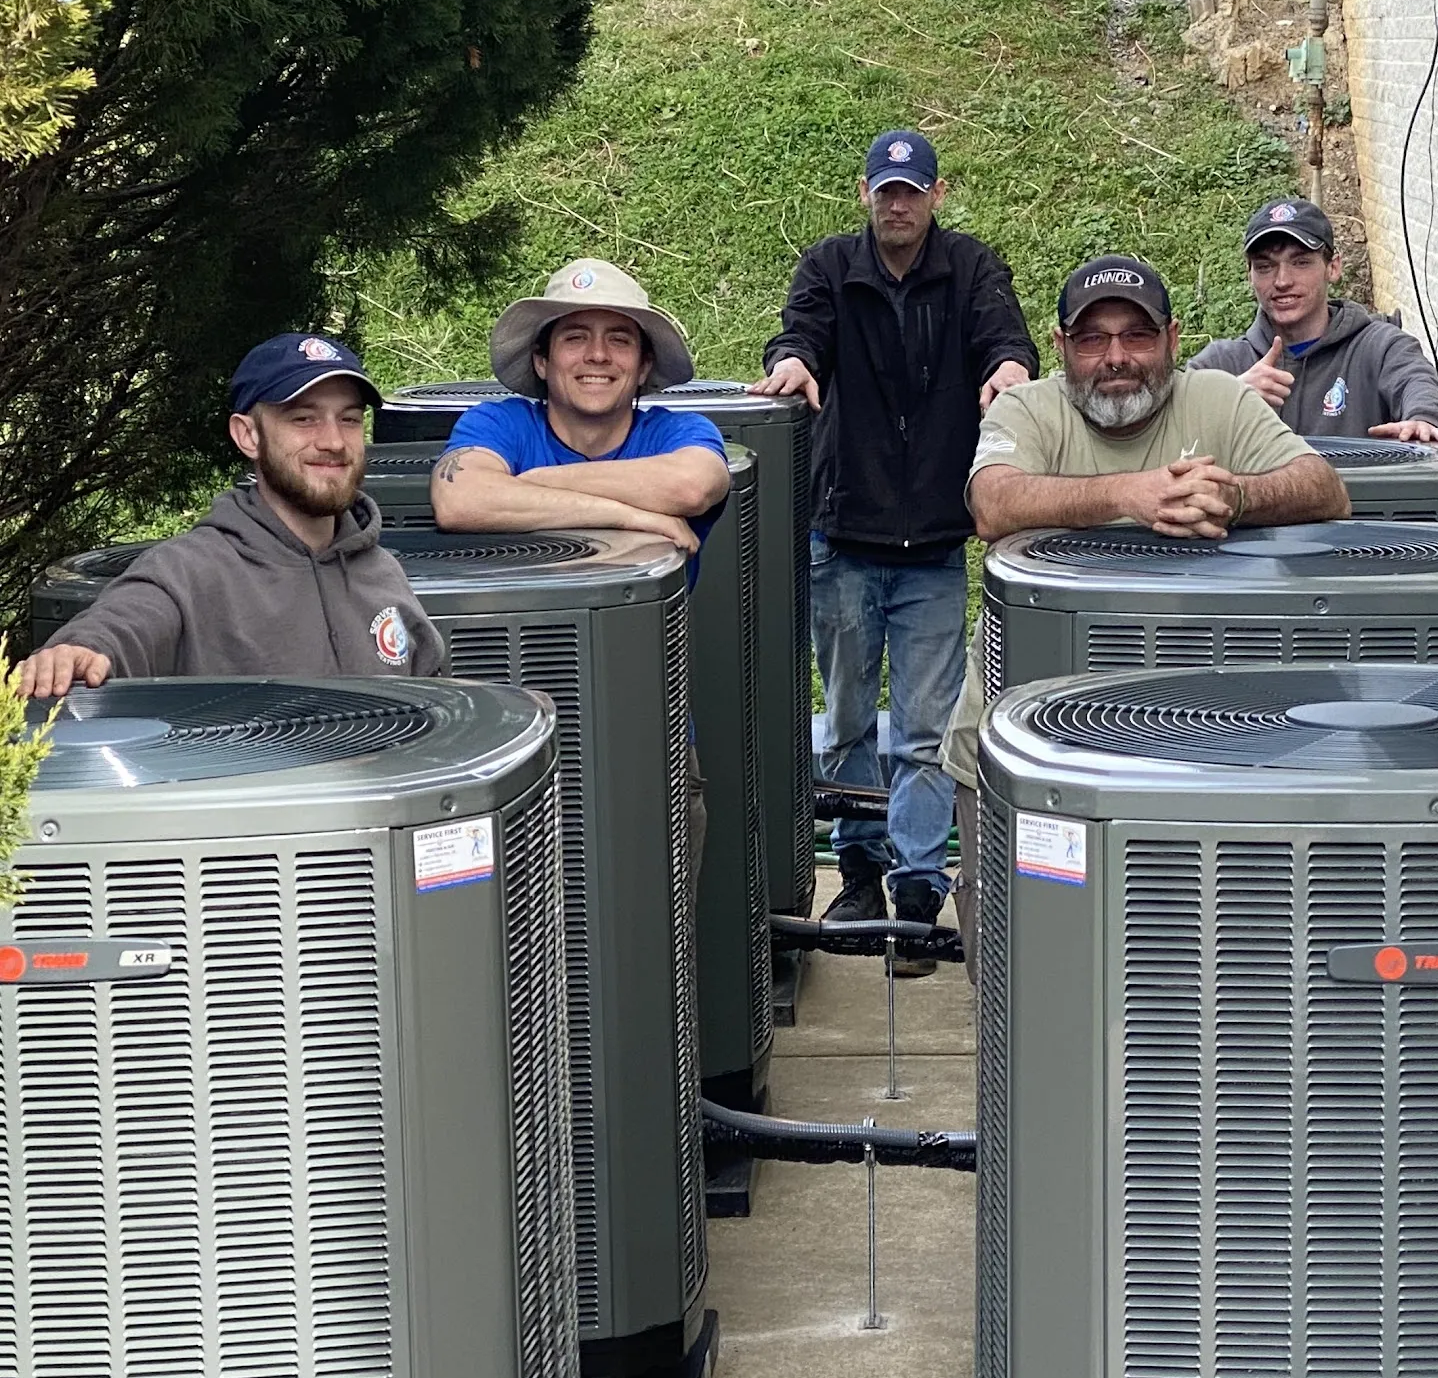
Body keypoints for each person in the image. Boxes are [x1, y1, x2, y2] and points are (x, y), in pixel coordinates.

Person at [945, 253, 1350, 966]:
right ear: (1061, 345)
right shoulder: (1027, 409)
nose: (1116, 358)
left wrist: (1239, 496)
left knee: (1187, 960)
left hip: (1194, 749)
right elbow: (992, 503)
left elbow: (1325, 489)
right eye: (1092, 339)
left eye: (1136, 336)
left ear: (1172, 338)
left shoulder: (1217, 401)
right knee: (1026, 961)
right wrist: (1127, 494)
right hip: (1025, 749)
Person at [752, 129, 1036, 945]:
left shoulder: (971, 268)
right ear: (866, 194)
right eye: (886, 192)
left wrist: (1010, 368)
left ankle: (917, 889)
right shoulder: (829, 267)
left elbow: (1004, 336)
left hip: (935, 549)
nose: (898, 205)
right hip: (842, 539)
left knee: (924, 733)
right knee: (844, 721)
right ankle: (858, 873)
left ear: (937, 195)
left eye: (912, 192)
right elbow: (801, 333)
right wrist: (794, 361)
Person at [17, 334, 446, 696]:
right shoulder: (188, 571)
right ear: (247, 435)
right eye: (304, 419)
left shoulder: (382, 572)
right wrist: (76, 652)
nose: (333, 441)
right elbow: (121, 624)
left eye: (349, 420)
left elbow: (439, 708)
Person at [429, 258, 730, 557]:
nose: (598, 355)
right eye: (575, 338)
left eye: (619, 340)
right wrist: (629, 517)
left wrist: (537, 481)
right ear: (542, 362)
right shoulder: (498, 423)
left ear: (643, 367)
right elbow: (459, 501)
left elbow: (692, 487)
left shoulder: (678, 431)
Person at [1188, 197, 1438, 440]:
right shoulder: (1222, 363)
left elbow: (1418, 383)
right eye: (1265, 267)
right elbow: (1172, 416)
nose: (1282, 281)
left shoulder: (1380, 348)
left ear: (1333, 267)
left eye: (1300, 262)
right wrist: (1229, 399)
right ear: (1250, 276)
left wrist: (1423, 420)